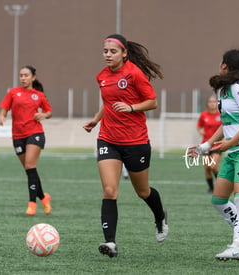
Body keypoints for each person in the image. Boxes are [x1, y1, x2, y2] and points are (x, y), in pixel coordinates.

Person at [83, 34, 168, 258]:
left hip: (136, 142)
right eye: (105, 51)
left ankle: (160, 216)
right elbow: (108, 102)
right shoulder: (101, 76)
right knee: (110, 190)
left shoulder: (134, 73)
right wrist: (96, 119)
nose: (108, 55)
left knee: (142, 191)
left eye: (112, 51)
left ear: (124, 53)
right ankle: (110, 242)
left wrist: (131, 108)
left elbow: (152, 102)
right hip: (108, 139)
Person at [192, 49, 239, 261]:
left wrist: (230, 144)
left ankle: (238, 246)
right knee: (218, 200)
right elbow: (227, 124)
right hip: (234, 152)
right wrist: (206, 146)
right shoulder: (224, 90)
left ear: (225, 65)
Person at [0, 65, 53, 216]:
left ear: (33, 77)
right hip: (18, 136)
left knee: (30, 165)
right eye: (21, 75)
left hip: (35, 133)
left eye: (26, 75)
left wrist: (43, 115)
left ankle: (31, 204)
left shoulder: (38, 95)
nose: (23, 78)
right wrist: (2, 116)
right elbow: (4, 108)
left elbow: (49, 111)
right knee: (30, 170)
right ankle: (43, 198)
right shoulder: (13, 93)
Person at [196, 95, 222, 193]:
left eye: (214, 102)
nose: (212, 103)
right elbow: (199, 126)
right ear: (207, 104)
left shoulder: (220, 115)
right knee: (207, 168)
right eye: (210, 102)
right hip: (206, 145)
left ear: (217, 103)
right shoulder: (204, 115)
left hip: (216, 145)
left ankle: (220, 185)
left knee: (213, 166)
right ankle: (211, 188)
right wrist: (200, 131)